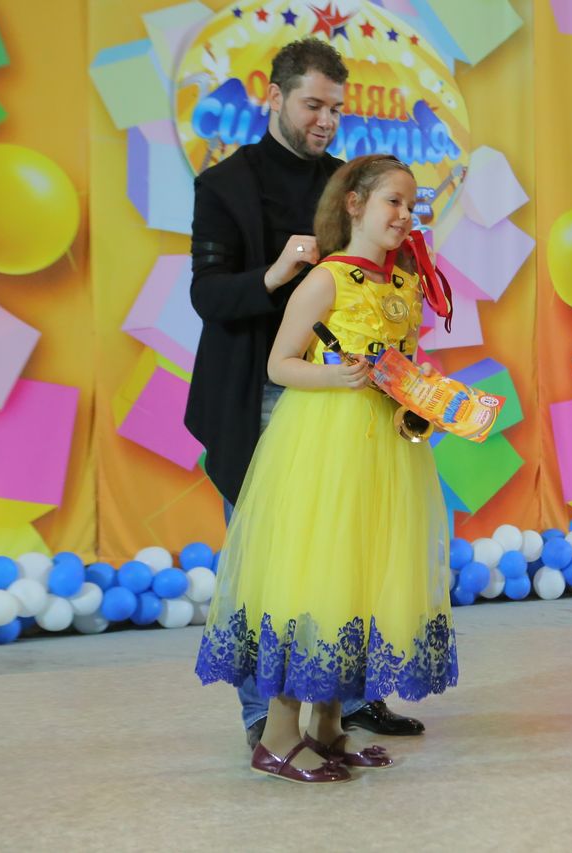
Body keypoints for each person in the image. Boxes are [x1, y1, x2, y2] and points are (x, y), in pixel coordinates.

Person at [185, 38, 424, 747]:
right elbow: (207, 295)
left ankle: (342, 700)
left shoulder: (349, 183)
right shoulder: (225, 185)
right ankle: (265, 715)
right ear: (275, 97)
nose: (326, 120)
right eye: (313, 105)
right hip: (254, 389)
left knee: (350, 542)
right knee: (271, 555)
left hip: (345, 401)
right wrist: (277, 274)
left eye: (336, 108)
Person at [194, 154, 458, 783]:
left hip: (384, 451)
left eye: (412, 204)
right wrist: (337, 378)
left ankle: (328, 727)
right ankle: (277, 736)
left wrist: (425, 390)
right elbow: (280, 363)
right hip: (327, 446)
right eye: (393, 201)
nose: (405, 214)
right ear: (355, 204)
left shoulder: (405, 283)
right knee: (315, 576)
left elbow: (399, 363)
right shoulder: (327, 279)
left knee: (357, 575)